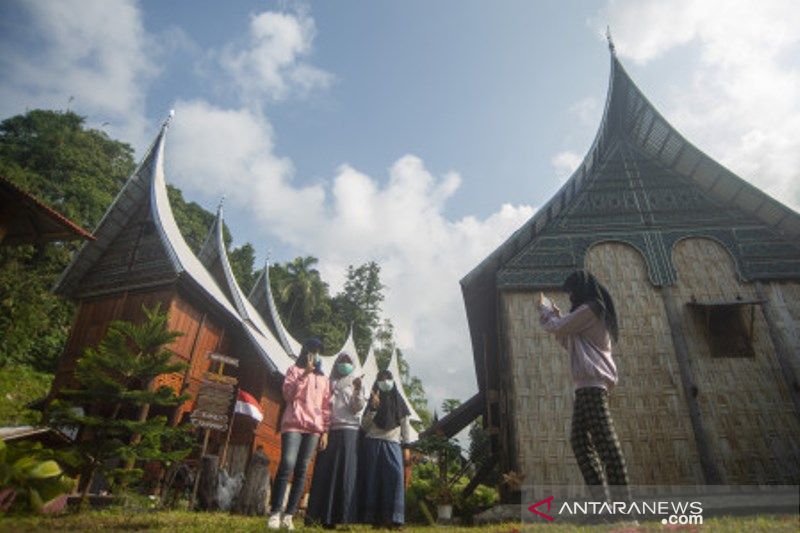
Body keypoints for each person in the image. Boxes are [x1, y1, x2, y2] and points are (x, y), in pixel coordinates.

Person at [538, 270, 633, 518]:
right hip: (585, 386)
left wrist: (546, 312)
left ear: (580, 289)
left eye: (570, 292)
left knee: (607, 445)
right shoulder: (585, 313)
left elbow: (557, 327)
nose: (569, 297)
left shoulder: (592, 308)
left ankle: (624, 511)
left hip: (592, 385)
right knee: (580, 442)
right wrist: (558, 319)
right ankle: (603, 508)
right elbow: (567, 339)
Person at [267, 338, 331, 531]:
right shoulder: (293, 371)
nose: (316, 354)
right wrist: (304, 375)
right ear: (305, 352)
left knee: (302, 469)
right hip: (293, 425)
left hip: (314, 428)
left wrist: (325, 431)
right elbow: (288, 395)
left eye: (319, 351)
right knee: (287, 463)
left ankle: (289, 514)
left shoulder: (324, 379)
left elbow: (326, 407)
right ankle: (275, 511)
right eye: (313, 350)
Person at [306, 352, 368, 529]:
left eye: (348, 361)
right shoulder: (329, 381)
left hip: (350, 431)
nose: (344, 364)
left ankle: (345, 517)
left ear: (353, 364)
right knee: (326, 473)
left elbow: (357, 408)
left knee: (345, 474)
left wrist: (357, 390)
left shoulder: (357, 382)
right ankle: (322, 516)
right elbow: (323, 405)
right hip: (330, 431)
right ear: (336, 363)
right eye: (341, 361)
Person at [359, 369, 412, 529]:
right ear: (377, 383)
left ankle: (395, 520)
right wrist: (373, 409)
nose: (385, 381)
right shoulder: (373, 400)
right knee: (373, 480)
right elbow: (364, 426)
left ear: (393, 381)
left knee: (395, 479)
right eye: (381, 379)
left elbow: (405, 424)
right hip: (373, 443)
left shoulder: (399, 401)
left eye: (388, 378)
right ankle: (375, 519)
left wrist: (407, 446)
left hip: (393, 444)